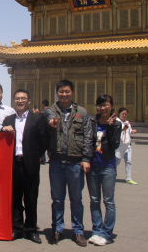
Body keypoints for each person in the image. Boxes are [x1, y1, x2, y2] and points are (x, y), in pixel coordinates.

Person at [44, 79, 92, 247]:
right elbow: (47, 117)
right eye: (61, 91)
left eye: (67, 91)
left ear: (72, 92)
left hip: (75, 163)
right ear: (56, 93)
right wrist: (51, 121)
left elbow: (88, 136)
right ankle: (57, 229)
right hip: (56, 162)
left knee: (76, 199)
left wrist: (86, 159)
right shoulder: (51, 111)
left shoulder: (82, 113)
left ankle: (78, 231)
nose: (64, 94)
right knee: (57, 199)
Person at [1, 89, 47, 244]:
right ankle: (17, 228)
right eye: (17, 98)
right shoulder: (8, 120)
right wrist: (3, 129)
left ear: (29, 101)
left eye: (23, 98)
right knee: (15, 198)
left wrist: (35, 155)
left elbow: (43, 140)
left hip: (30, 164)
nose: (20, 101)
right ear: (14, 101)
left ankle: (31, 229)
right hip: (13, 164)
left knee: (31, 198)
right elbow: (1, 139)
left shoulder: (37, 118)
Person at [87, 94, 121, 246]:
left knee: (108, 201)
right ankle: (96, 230)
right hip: (93, 166)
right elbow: (87, 141)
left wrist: (111, 127)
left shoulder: (117, 123)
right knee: (94, 200)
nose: (103, 108)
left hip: (108, 166)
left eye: (106, 105)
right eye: (100, 105)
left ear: (111, 106)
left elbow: (114, 145)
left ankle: (106, 233)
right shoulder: (92, 121)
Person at [116, 107, 137, 185]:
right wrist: (122, 129)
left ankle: (128, 178)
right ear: (119, 114)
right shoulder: (116, 122)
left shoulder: (127, 123)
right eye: (123, 114)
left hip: (127, 145)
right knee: (116, 162)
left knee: (128, 161)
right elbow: (115, 131)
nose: (124, 116)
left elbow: (129, 130)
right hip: (119, 146)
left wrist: (132, 131)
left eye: (126, 114)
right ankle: (111, 174)